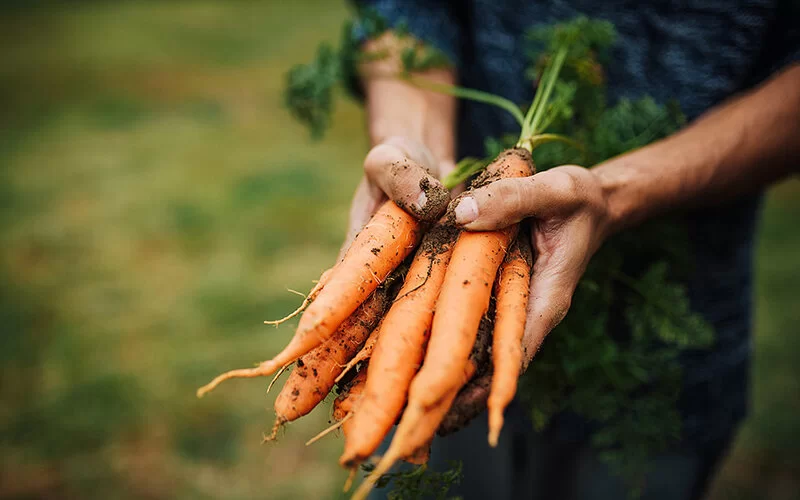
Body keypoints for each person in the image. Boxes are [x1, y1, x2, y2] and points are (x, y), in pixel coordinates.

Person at [340, 1, 799, 499]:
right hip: (426, 341)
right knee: (420, 437)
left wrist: (613, 193)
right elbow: (406, 11)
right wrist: (409, 143)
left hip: (655, 363)